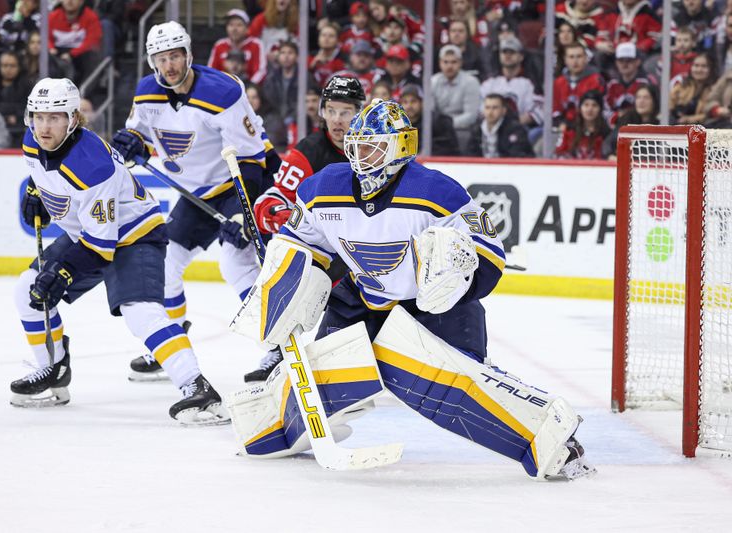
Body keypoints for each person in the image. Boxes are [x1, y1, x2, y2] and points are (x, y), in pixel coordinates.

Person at [229, 99, 595, 480]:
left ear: (399, 148)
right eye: (355, 147)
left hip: (434, 309)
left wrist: (456, 273)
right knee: (323, 375)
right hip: (362, 301)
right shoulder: (323, 188)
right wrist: (285, 285)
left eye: (372, 148)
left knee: (453, 385)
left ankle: (550, 437)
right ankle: (272, 428)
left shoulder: (437, 192)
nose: (360, 158)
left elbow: (490, 253)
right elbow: (301, 241)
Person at [11, 77, 228, 425]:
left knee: (140, 312)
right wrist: (36, 193)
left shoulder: (92, 166)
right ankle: (51, 369)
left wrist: (64, 271)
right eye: (38, 117)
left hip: (135, 234)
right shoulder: (32, 142)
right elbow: (45, 177)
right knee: (27, 288)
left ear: (73, 119)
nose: (43, 126)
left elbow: (101, 246)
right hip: (88, 234)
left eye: (54, 118)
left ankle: (197, 389)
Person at [109, 22, 276, 383]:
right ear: (152, 61)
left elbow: (250, 159)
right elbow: (140, 132)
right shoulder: (146, 92)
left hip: (237, 184)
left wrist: (245, 213)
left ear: (189, 55)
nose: (169, 65)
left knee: (236, 264)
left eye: (175, 56)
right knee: (166, 262)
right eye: (161, 58)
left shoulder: (222, 91)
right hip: (196, 194)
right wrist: (132, 141)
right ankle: (173, 342)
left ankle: (276, 347)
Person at [248, 75, 366, 381]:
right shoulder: (309, 151)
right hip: (328, 252)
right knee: (301, 276)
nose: (338, 120)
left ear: (360, 113)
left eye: (347, 112)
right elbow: (272, 199)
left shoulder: (374, 147)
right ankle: (282, 345)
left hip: (368, 249)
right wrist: (273, 211)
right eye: (332, 111)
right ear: (322, 112)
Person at [430, 44, 479, 152]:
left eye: (454, 62)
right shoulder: (433, 81)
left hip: (462, 130)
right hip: (439, 130)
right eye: (446, 62)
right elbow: (431, 111)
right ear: (440, 63)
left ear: (460, 63)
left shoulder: (471, 82)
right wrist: (441, 126)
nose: (449, 66)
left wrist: (447, 125)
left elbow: (471, 116)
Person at [47, 0, 102, 86]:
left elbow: (92, 41)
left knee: (92, 56)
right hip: (57, 52)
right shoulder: (53, 16)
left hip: (80, 55)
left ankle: (84, 95)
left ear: (81, 1)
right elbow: (46, 37)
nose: (69, 1)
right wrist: (51, 48)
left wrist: (71, 54)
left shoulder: (91, 16)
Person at [207, 9, 267, 85]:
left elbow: (261, 71)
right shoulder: (219, 45)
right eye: (231, 25)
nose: (234, 29)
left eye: (239, 25)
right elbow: (211, 71)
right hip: (223, 88)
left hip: (249, 90)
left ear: (247, 28)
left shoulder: (256, 44)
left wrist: (248, 87)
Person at [604, 42, 657, 126]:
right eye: (621, 61)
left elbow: (655, 107)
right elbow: (605, 109)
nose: (625, 64)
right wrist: (616, 116)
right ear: (616, 63)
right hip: (617, 125)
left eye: (629, 60)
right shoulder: (611, 84)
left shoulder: (647, 81)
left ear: (638, 62)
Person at [464, 94, 534, 158]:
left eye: (495, 108)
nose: (490, 112)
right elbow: (470, 154)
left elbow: (518, 156)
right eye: (487, 108)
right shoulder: (477, 129)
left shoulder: (515, 129)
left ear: (503, 110)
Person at [552, 42, 605, 126]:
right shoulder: (558, 82)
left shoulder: (596, 80)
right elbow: (555, 108)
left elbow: (597, 109)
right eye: (571, 57)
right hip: (563, 126)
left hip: (588, 125)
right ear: (565, 59)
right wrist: (560, 123)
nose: (575, 61)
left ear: (585, 58)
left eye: (579, 56)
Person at [400, 84, 460, 155]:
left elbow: (448, 150)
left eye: (413, 101)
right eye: (405, 102)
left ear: (422, 103)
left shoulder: (439, 121)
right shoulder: (398, 125)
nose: (409, 106)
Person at [555, 90, 609, 160]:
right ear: (580, 108)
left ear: (600, 109)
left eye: (594, 105)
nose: (590, 109)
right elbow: (559, 155)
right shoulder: (569, 131)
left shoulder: (606, 134)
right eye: (586, 105)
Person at [670, 52, 715, 125]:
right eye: (696, 66)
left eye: (704, 66)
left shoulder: (714, 90)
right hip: (678, 126)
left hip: (704, 128)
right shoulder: (681, 87)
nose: (699, 70)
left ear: (710, 69)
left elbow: (710, 114)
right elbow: (670, 105)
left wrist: (689, 119)